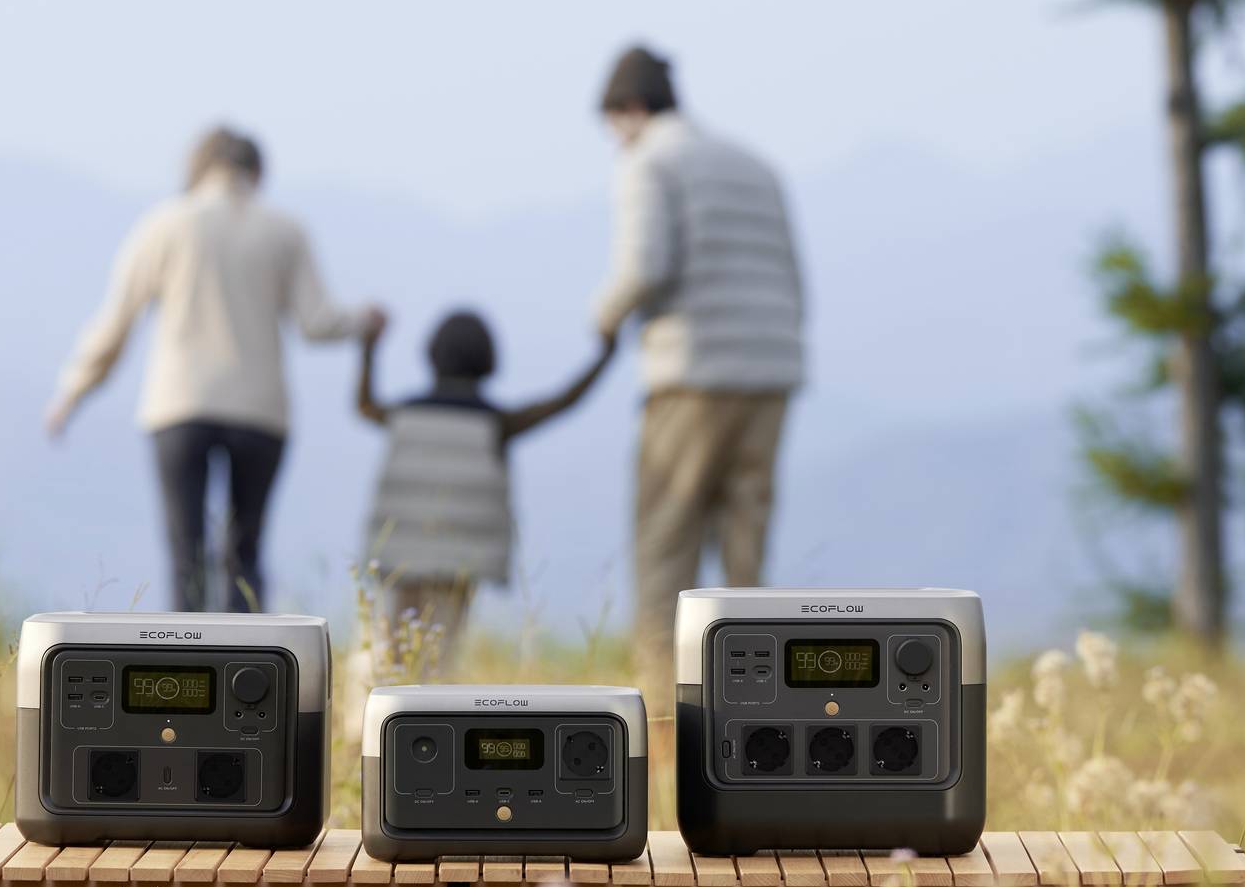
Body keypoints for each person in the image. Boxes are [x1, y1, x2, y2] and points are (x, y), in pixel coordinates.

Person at [44, 126, 381, 611]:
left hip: (179, 405)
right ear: (257, 171)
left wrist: (71, 394)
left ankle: (186, 663)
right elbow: (317, 322)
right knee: (245, 553)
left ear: (196, 167)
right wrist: (365, 321)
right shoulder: (284, 229)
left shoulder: (164, 224)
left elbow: (115, 324)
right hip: (261, 409)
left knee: (186, 553)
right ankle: (251, 669)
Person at [586, 45, 806, 713]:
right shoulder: (756, 166)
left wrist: (603, 318)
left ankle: (657, 727)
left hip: (692, 374)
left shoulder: (648, 161)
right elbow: (794, 278)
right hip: (772, 373)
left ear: (629, 111)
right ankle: (752, 717)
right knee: (745, 555)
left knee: (665, 547)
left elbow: (645, 264)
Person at [353, 309, 615, 670]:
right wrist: (604, 355)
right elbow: (561, 402)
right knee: (441, 650)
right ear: (489, 361)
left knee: (392, 644)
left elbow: (364, 404)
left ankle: (377, 711)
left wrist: (368, 348)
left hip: (402, 555)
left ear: (431, 356)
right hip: (460, 561)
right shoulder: (495, 422)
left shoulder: (402, 415)